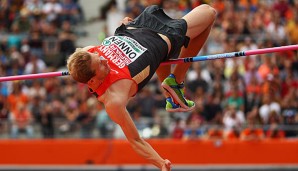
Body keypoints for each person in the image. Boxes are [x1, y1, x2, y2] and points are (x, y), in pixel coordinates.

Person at [67, 4, 216, 171]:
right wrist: (160, 162)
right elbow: (135, 140)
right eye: (99, 64)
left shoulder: (87, 53)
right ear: (93, 82)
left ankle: (171, 95)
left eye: (97, 55)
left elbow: (79, 56)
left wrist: (120, 29)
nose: (103, 58)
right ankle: (176, 80)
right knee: (208, 12)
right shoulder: (114, 98)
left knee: (156, 32)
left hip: (135, 27)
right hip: (162, 36)